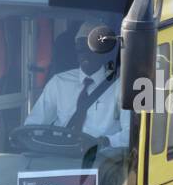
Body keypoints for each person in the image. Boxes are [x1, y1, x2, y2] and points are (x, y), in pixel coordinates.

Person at [24, 19, 129, 148]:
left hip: (100, 159)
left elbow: (130, 135)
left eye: (90, 49)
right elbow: (34, 124)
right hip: (60, 156)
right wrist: (29, 139)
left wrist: (105, 142)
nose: (84, 55)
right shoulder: (59, 82)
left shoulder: (120, 87)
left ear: (104, 52)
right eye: (81, 49)